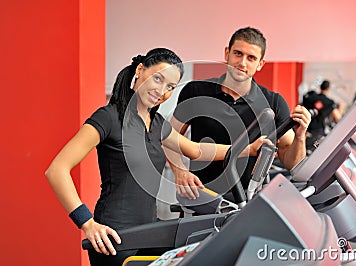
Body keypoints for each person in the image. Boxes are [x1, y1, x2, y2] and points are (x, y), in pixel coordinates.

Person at [45, 48, 266, 266]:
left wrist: (249, 148)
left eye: (170, 87)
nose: (162, 91)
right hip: (116, 238)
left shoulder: (157, 123)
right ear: (140, 70)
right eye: (158, 79)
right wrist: (87, 223)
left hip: (149, 231)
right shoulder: (109, 118)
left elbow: (195, 150)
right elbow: (57, 170)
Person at [166, 27, 311, 199]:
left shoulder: (274, 103)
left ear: (260, 64)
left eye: (251, 58)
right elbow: (168, 138)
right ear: (227, 53)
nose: (242, 63)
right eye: (238, 53)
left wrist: (300, 136)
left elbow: (291, 163)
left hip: (249, 202)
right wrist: (180, 171)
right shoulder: (196, 91)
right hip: (201, 197)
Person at [302, 79, 344, 151]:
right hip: (317, 132)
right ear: (328, 89)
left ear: (320, 87)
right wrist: (341, 108)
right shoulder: (329, 102)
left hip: (304, 128)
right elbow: (338, 118)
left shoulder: (311, 96)